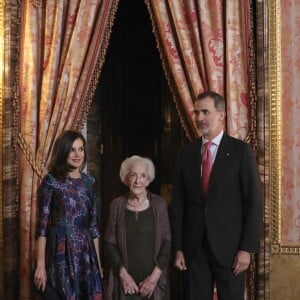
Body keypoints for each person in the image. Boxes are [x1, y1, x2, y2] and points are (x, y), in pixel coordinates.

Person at [171, 91, 262, 300]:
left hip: (230, 250)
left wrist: (246, 249)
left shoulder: (240, 151)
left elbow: (254, 203)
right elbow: (178, 205)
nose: (199, 118)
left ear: (222, 114)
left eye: (205, 112)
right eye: (196, 112)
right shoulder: (186, 153)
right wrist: (178, 248)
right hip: (194, 250)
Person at [34, 130, 103, 300]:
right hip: (60, 255)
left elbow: (93, 226)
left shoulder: (90, 182)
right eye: (72, 149)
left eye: (81, 149)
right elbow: (42, 228)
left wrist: (98, 265)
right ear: (63, 151)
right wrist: (40, 265)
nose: (77, 154)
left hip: (85, 256)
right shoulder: (51, 181)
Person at [105, 155, 171, 300]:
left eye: (142, 176)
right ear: (126, 178)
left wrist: (154, 278)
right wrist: (123, 275)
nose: (137, 181)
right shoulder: (116, 205)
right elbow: (110, 244)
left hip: (153, 284)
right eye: (133, 175)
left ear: (148, 180)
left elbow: (167, 243)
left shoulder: (159, 205)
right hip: (126, 285)